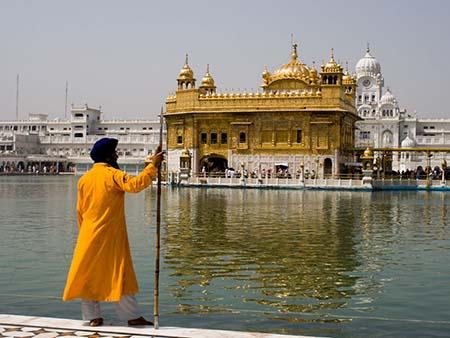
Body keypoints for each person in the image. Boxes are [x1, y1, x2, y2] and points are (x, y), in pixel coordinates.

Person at [62, 138, 164, 327]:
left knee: (88, 274)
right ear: (108, 156)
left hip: (88, 234)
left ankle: (93, 317)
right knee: (121, 271)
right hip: (110, 235)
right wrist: (153, 167)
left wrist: (85, 232)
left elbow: (79, 210)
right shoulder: (112, 174)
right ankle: (131, 316)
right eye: (115, 153)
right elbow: (135, 185)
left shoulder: (84, 179)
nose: (117, 155)